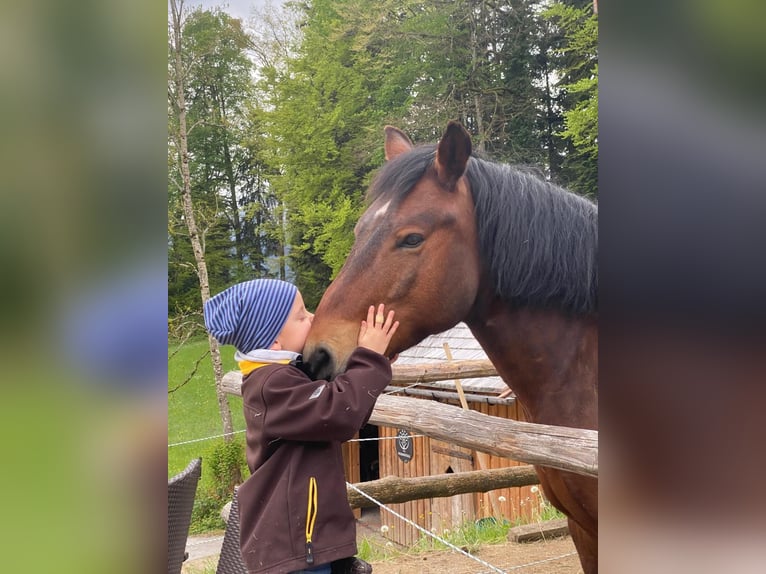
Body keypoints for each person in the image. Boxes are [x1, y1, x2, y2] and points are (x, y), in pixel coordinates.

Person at [204, 279, 399, 574]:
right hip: (296, 543)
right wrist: (369, 360)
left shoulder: (283, 378)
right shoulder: (271, 385)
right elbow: (337, 413)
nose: (312, 318)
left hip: (304, 538)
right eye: (301, 315)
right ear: (273, 341)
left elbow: (347, 414)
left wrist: (374, 364)